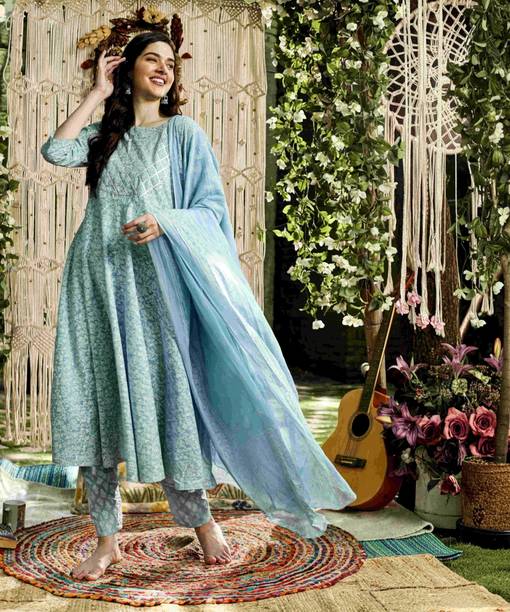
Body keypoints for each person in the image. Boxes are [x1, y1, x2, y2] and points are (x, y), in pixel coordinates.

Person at [40, 30, 357, 582]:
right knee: (98, 403)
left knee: (171, 402)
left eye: (169, 62)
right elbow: (55, 151)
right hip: (97, 282)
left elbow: (210, 209)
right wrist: (96, 93)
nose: (163, 69)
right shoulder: (103, 137)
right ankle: (107, 538)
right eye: (151, 59)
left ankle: (202, 521)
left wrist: (166, 222)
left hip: (156, 286)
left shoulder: (183, 133)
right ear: (128, 70)